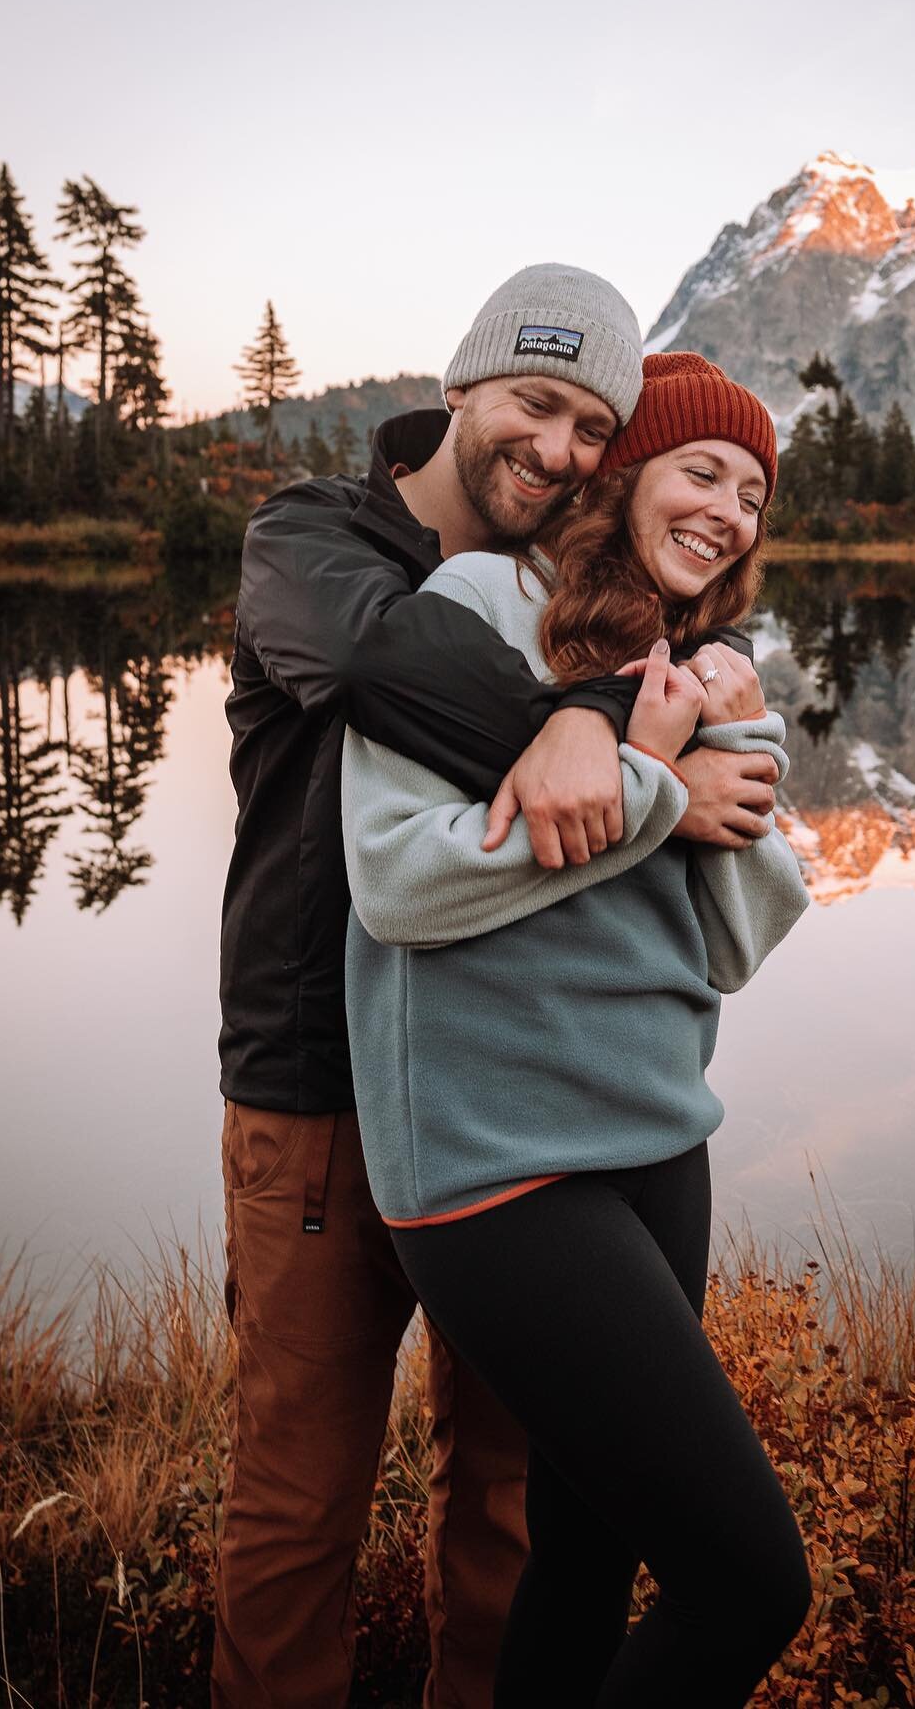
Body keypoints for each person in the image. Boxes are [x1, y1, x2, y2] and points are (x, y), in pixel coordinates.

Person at [216, 270, 782, 1709]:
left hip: (523, 1104)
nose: (561, 446)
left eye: (596, 422)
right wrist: (612, 736)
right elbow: (373, 664)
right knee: (300, 1496)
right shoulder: (326, 546)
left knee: (516, 1508)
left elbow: (718, 914)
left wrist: (666, 725)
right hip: (322, 1088)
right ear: (461, 388)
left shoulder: (630, 625)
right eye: (537, 402)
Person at [342, 352, 814, 1707]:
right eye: (702, 472)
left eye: (754, 495)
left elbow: (735, 939)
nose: (730, 511)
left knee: (589, 1556)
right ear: (625, 476)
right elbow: (403, 882)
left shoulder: (699, 665)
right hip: (495, 1164)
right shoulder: (484, 605)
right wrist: (655, 782)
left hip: (660, 1142)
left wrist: (742, 733)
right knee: (747, 1583)